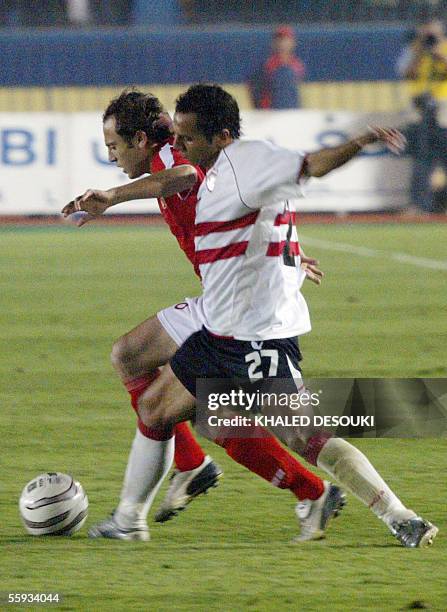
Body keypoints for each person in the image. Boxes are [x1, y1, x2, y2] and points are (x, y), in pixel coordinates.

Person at [114, 83, 437, 548]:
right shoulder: (221, 169)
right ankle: (147, 507)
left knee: (299, 433)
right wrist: (288, 255)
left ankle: (388, 511)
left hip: (250, 337)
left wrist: (359, 143)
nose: (179, 146)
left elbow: (312, 165)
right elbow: (259, 217)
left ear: (222, 135)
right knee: (182, 412)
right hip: (227, 329)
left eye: (187, 137)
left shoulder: (247, 160)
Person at [62, 90, 344, 542]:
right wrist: (288, 252)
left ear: (139, 139)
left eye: (115, 146)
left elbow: (185, 175)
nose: (111, 156)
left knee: (191, 407)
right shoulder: (169, 154)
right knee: (139, 362)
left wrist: (112, 196)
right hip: (226, 298)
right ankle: (277, 483)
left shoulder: (173, 155)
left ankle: (140, 512)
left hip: (234, 309)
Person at [248, 25, 305, 109]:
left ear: (292, 42)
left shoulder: (297, 65)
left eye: (286, 40)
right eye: (279, 40)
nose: (282, 43)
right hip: (271, 113)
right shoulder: (266, 66)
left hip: (293, 113)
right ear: (273, 43)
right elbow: (255, 90)